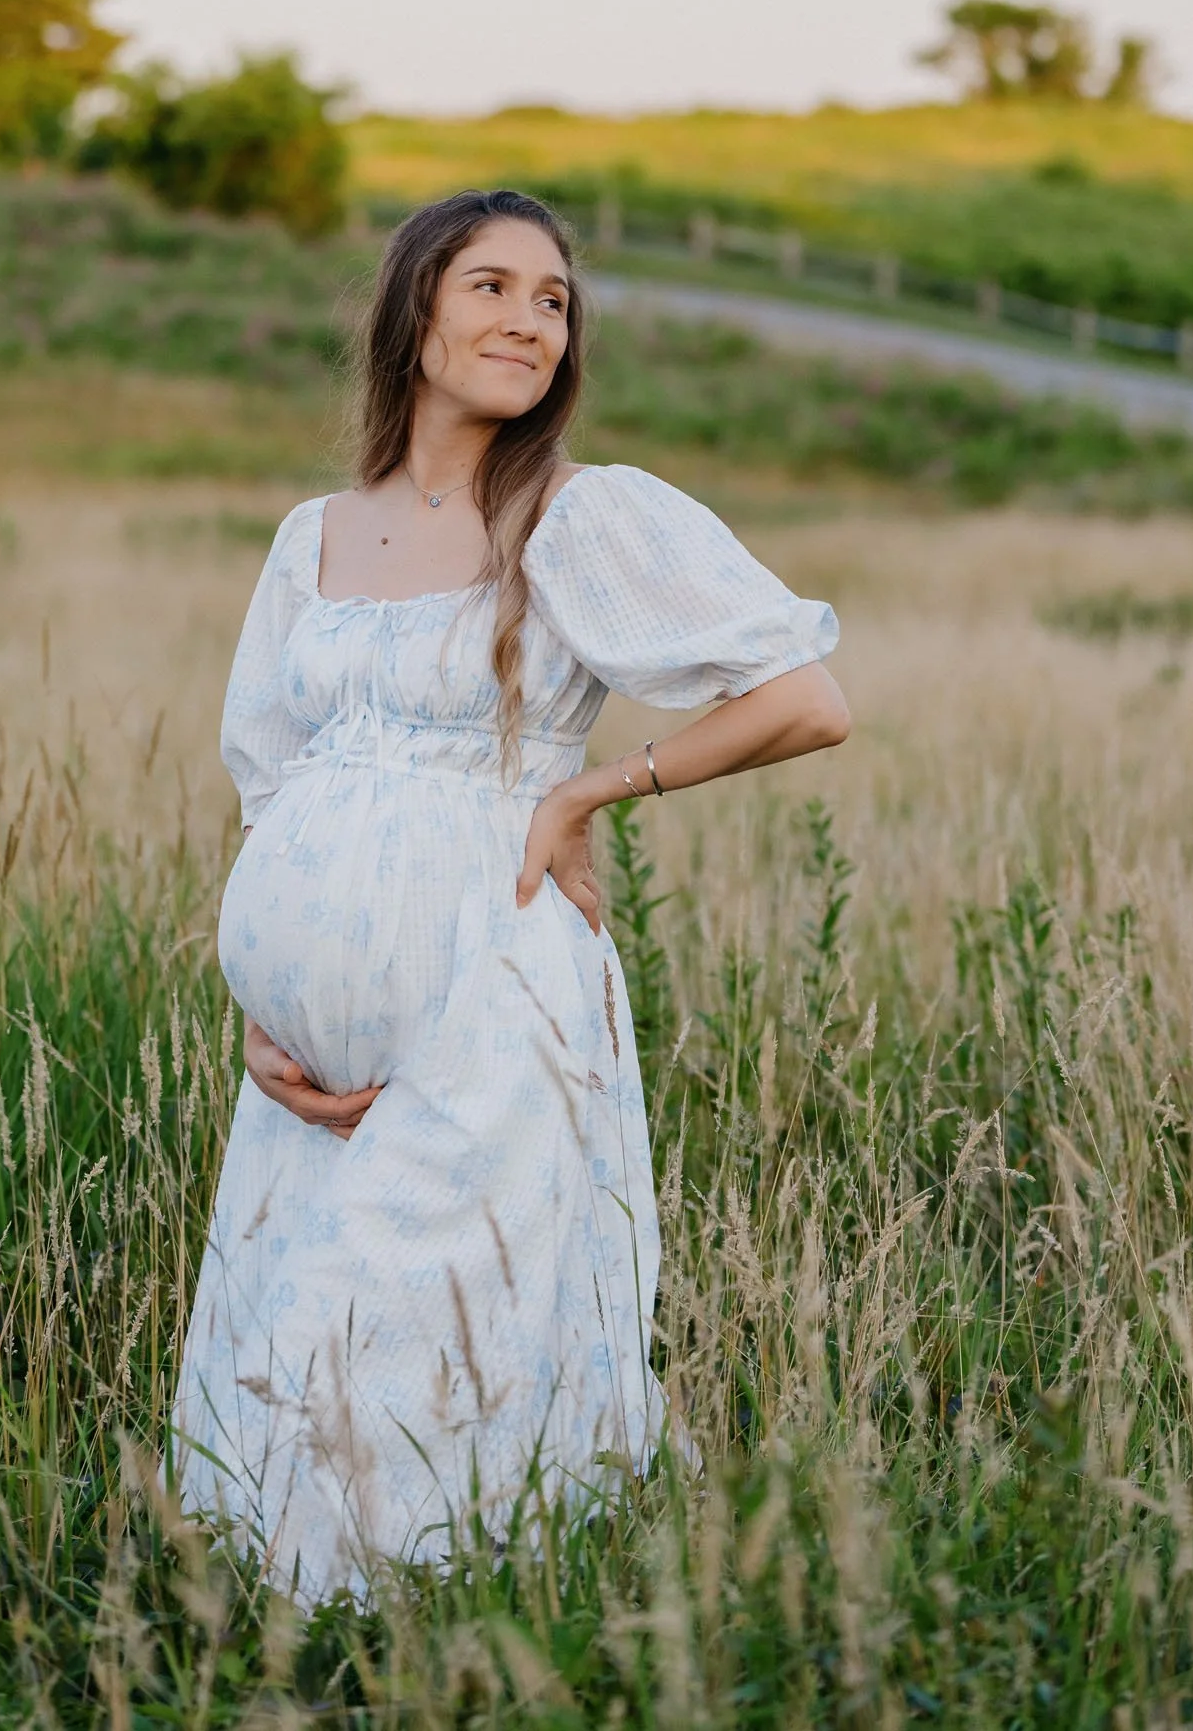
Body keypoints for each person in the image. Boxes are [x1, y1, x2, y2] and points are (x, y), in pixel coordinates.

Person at [170, 188, 849, 1600]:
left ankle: (452, 1636)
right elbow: (271, 781)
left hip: (494, 986)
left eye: (552, 302)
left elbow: (804, 699)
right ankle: (267, 1641)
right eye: (491, 286)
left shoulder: (576, 514)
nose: (527, 321)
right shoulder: (310, 538)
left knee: (437, 1334)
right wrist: (265, 1004)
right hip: (298, 1064)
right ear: (414, 308)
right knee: (287, 1346)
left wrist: (592, 789)